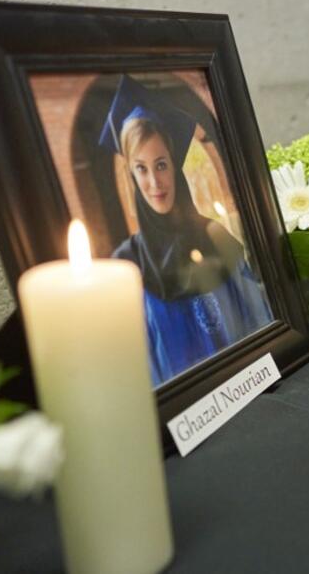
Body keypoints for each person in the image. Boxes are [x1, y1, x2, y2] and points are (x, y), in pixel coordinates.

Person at [100, 76, 273, 385]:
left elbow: (259, 323)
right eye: (141, 168)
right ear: (131, 175)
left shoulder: (215, 237)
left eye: (161, 164)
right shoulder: (126, 265)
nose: (154, 182)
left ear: (174, 165)